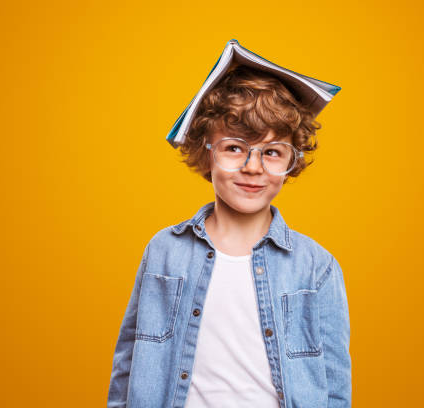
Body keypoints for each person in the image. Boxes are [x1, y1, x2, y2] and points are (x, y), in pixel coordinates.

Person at [107, 65, 352, 407]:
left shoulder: (317, 267)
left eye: (271, 152)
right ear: (207, 152)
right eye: (235, 148)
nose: (253, 167)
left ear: (291, 162)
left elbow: (334, 385)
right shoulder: (163, 251)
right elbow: (127, 365)